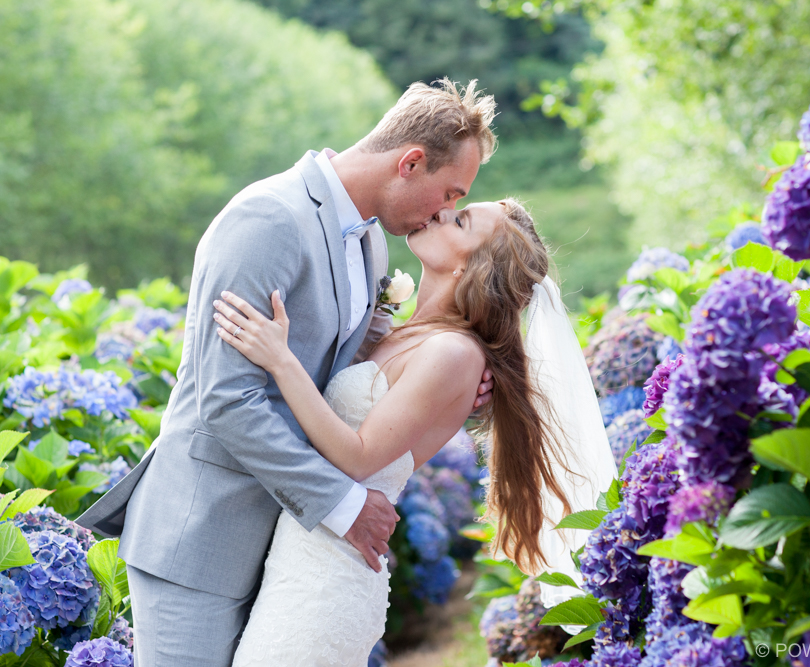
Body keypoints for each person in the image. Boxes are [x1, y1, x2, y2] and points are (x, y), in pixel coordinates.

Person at [77, 79, 499, 666]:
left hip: (289, 551)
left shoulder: (372, 244)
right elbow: (226, 399)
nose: (445, 211)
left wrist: (452, 387)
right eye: (449, 192)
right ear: (410, 162)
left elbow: (335, 379)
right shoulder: (268, 218)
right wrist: (341, 503)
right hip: (205, 534)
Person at [214, 199, 577, 664]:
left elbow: (359, 456)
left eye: (461, 220)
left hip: (329, 575)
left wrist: (280, 360)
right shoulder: (412, 333)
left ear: (470, 264)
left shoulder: (453, 352)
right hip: (302, 549)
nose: (443, 212)